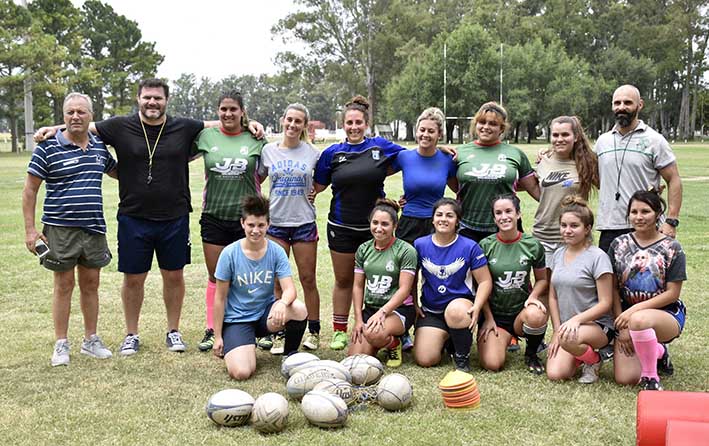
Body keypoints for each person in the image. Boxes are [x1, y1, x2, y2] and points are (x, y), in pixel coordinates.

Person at [34, 78, 264, 356]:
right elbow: (82, 123)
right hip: (133, 216)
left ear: (167, 101)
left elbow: (218, 123)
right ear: (138, 99)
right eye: (147, 98)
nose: (152, 102)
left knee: (174, 276)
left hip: (175, 215)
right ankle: (132, 334)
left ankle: (173, 331)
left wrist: (251, 123)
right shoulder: (119, 126)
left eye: (158, 98)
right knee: (133, 278)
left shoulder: (183, 127)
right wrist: (52, 128)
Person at [22, 92, 116, 366]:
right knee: (64, 284)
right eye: (70, 113)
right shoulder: (48, 147)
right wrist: (30, 230)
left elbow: (118, 172)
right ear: (63, 117)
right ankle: (61, 344)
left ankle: (91, 340)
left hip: (94, 227)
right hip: (60, 228)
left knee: (91, 284)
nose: (76, 117)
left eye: (81, 112)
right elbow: (30, 190)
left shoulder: (99, 146)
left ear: (91, 115)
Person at [312, 95, 408, 351]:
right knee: (344, 280)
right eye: (349, 123)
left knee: (386, 279)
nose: (354, 127)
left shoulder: (381, 147)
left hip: (375, 229)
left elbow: (414, 159)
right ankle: (340, 330)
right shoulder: (332, 153)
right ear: (343, 124)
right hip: (342, 227)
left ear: (366, 123)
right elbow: (318, 186)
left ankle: (393, 326)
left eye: (358, 123)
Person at [194, 90, 266, 353]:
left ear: (242, 112)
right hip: (213, 215)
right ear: (217, 111)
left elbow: (263, 173)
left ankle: (258, 327)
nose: (228, 114)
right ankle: (214, 329)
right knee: (217, 276)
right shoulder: (206, 137)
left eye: (233, 109)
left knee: (248, 276)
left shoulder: (255, 137)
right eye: (223, 109)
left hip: (246, 220)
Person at [212, 195, 308, 380]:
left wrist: (282, 304)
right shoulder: (229, 254)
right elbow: (220, 298)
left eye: (261, 225)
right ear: (242, 223)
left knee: (298, 308)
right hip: (238, 320)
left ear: (268, 225)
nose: (256, 230)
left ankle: (289, 356)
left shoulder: (276, 251)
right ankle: (241, 344)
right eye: (251, 225)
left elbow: (290, 289)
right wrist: (217, 337)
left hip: (266, 316)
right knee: (241, 373)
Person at [391, 106, 457, 351]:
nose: (425, 134)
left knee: (437, 273)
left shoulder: (447, 160)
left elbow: (460, 188)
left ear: (439, 134)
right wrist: (390, 202)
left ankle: (440, 324)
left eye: (431, 131)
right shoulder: (404, 157)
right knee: (406, 277)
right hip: (408, 221)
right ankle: (403, 329)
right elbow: (376, 174)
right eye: (422, 129)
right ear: (416, 130)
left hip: (436, 225)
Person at [258, 103, 321, 352]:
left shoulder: (313, 153)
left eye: (298, 121)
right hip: (276, 224)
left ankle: (314, 330)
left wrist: (316, 190)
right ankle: (279, 332)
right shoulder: (268, 151)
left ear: (305, 125)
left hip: (304, 222)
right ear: (283, 120)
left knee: (308, 279)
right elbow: (256, 179)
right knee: (277, 282)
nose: (293, 125)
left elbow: (322, 181)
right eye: (290, 120)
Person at [609, 190, 686, 391]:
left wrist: (633, 313)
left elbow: (672, 294)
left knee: (639, 320)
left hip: (665, 314)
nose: (639, 217)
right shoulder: (618, 245)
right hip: (626, 317)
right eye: (634, 212)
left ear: (658, 213)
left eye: (646, 211)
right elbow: (613, 289)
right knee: (625, 378)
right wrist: (621, 326)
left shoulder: (672, 247)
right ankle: (658, 351)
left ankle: (651, 379)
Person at [595, 85, 683, 253]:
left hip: (645, 225)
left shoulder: (654, 140)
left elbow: (674, 179)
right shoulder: (602, 141)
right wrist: (548, 153)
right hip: (609, 226)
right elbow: (593, 175)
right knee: (608, 279)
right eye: (617, 103)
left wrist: (671, 220)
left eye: (628, 102)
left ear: (640, 105)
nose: (621, 107)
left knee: (645, 279)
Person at [413, 198, 493, 372]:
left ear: (458, 221)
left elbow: (485, 281)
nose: (443, 219)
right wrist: (414, 303)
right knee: (425, 359)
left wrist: (477, 307)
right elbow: (411, 277)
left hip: (460, 308)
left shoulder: (470, 246)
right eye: (439, 215)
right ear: (433, 219)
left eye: (450, 215)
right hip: (432, 310)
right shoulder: (420, 244)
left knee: (455, 312)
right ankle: (447, 338)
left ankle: (461, 355)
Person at [546, 196, 614, 384]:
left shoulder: (598, 257)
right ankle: (587, 355)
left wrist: (576, 320)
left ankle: (594, 361)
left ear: (587, 229)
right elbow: (552, 297)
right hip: (568, 328)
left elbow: (606, 302)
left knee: (569, 338)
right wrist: (556, 330)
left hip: (597, 325)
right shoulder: (558, 254)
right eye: (564, 225)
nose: (567, 231)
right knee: (556, 374)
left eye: (574, 226)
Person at [479, 195, 548, 374]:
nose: (504, 217)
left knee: (536, 314)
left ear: (518, 214)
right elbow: (480, 286)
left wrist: (532, 298)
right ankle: (505, 339)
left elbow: (542, 280)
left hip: (521, 313)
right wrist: (488, 318)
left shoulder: (532, 245)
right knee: (492, 364)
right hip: (496, 317)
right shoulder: (485, 246)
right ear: (494, 218)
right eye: (498, 213)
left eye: (509, 211)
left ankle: (531, 353)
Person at [455, 102, 539, 243]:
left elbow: (534, 189)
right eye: (482, 122)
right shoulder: (459, 153)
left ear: (501, 129)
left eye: (493, 124)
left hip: (506, 226)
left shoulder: (515, 154)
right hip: (467, 227)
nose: (486, 127)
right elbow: (455, 185)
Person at [349, 199, 417, 367]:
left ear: (395, 225)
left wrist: (383, 312)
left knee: (374, 333)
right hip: (371, 309)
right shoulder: (363, 249)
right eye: (375, 223)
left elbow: (404, 289)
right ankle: (383, 340)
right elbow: (358, 286)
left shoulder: (406, 250)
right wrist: (358, 319)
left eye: (385, 224)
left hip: (397, 310)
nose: (379, 228)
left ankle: (394, 344)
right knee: (356, 359)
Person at [533, 116, 598, 266]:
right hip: (544, 234)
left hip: (575, 235)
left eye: (565, 135)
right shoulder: (543, 159)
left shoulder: (587, 162)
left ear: (575, 137)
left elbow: (609, 185)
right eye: (555, 135)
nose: (559, 139)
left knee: (573, 284)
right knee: (546, 285)